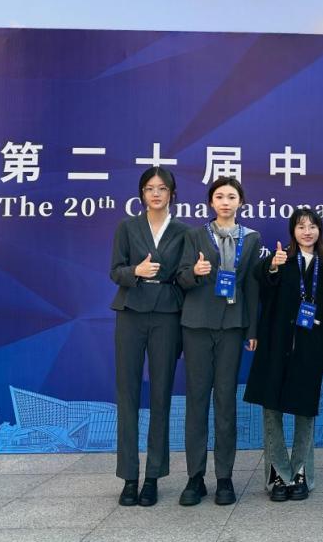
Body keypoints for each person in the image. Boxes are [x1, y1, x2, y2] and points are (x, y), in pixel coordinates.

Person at [176, 176, 261, 507]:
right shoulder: (194, 235)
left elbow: (251, 286)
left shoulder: (251, 238)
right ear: (211, 202)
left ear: (241, 202)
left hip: (232, 326)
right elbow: (180, 277)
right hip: (197, 325)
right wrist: (194, 272)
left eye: (232, 196)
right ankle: (195, 477)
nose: (226, 202)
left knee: (226, 401)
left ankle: (224, 477)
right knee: (197, 400)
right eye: (220, 196)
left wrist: (252, 330)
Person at [244, 207, 323, 502]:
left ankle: (300, 473)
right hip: (276, 347)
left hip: (310, 350)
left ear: (320, 231)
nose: (307, 232)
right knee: (271, 410)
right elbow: (260, 279)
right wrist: (272, 266)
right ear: (292, 232)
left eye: (312, 226)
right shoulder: (281, 259)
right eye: (301, 226)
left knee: (304, 411)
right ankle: (278, 475)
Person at [109, 167, 188, 507]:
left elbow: (184, 276)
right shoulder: (127, 227)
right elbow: (115, 271)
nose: (156, 194)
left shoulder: (184, 231)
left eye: (162, 188)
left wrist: (195, 273)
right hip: (131, 311)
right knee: (127, 394)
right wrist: (135, 271)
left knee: (161, 395)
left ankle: (153, 476)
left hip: (167, 314)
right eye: (149, 188)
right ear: (141, 193)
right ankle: (129, 476)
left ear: (172, 193)